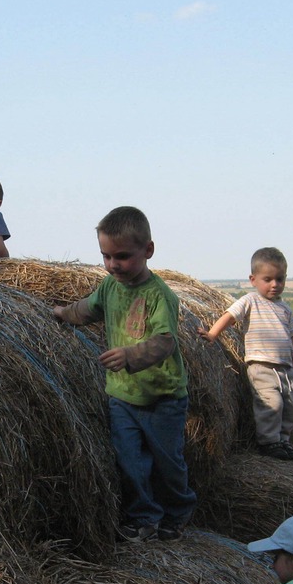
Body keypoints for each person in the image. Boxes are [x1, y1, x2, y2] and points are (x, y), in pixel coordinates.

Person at [52, 206, 196, 543]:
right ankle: (144, 517)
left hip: (162, 398)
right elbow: (87, 309)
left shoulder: (159, 296)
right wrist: (61, 312)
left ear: (148, 250)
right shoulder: (109, 287)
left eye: (122, 256)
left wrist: (130, 355)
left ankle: (177, 511)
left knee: (168, 463)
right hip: (121, 396)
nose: (113, 264)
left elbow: (165, 342)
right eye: (106, 256)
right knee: (130, 461)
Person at [199, 247, 293, 462]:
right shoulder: (250, 300)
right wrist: (212, 334)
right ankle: (268, 442)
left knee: (291, 407)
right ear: (253, 280)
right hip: (261, 365)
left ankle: (284, 441)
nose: (275, 284)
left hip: (286, 368)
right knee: (271, 404)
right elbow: (229, 316)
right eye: (268, 279)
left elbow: (291, 336)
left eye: (280, 279)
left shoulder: (285, 309)